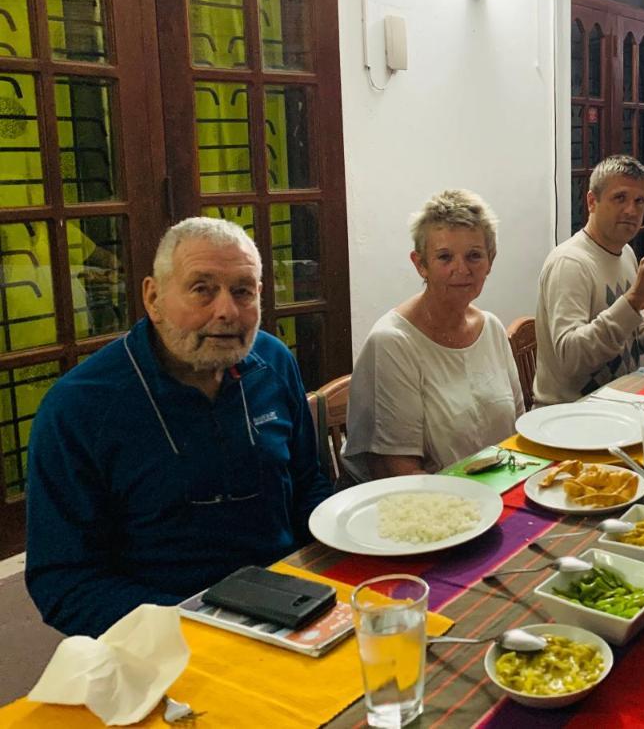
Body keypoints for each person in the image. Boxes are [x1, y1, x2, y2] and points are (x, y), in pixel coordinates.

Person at [25, 217, 332, 637]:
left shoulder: (275, 363)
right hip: (166, 635)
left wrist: (342, 559)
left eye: (242, 291)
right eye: (202, 289)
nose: (226, 311)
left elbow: (305, 484)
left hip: (293, 608)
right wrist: (202, 625)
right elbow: (64, 580)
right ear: (153, 297)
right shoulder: (79, 407)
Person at [343, 190, 523, 478]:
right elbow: (399, 471)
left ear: (491, 261)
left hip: (500, 491)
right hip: (433, 507)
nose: (461, 269)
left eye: (474, 256)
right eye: (444, 257)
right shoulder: (393, 343)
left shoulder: (491, 329)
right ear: (420, 264)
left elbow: (516, 434)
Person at [533, 155, 644, 405]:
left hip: (621, 398)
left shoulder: (625, 252)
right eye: (620, 198)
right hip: (571, 414)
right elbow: (571, 358)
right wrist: (635, 298)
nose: (631, 210)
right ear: (591, 202)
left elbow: (627, 331)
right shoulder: (571, 262)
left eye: (639, 201)